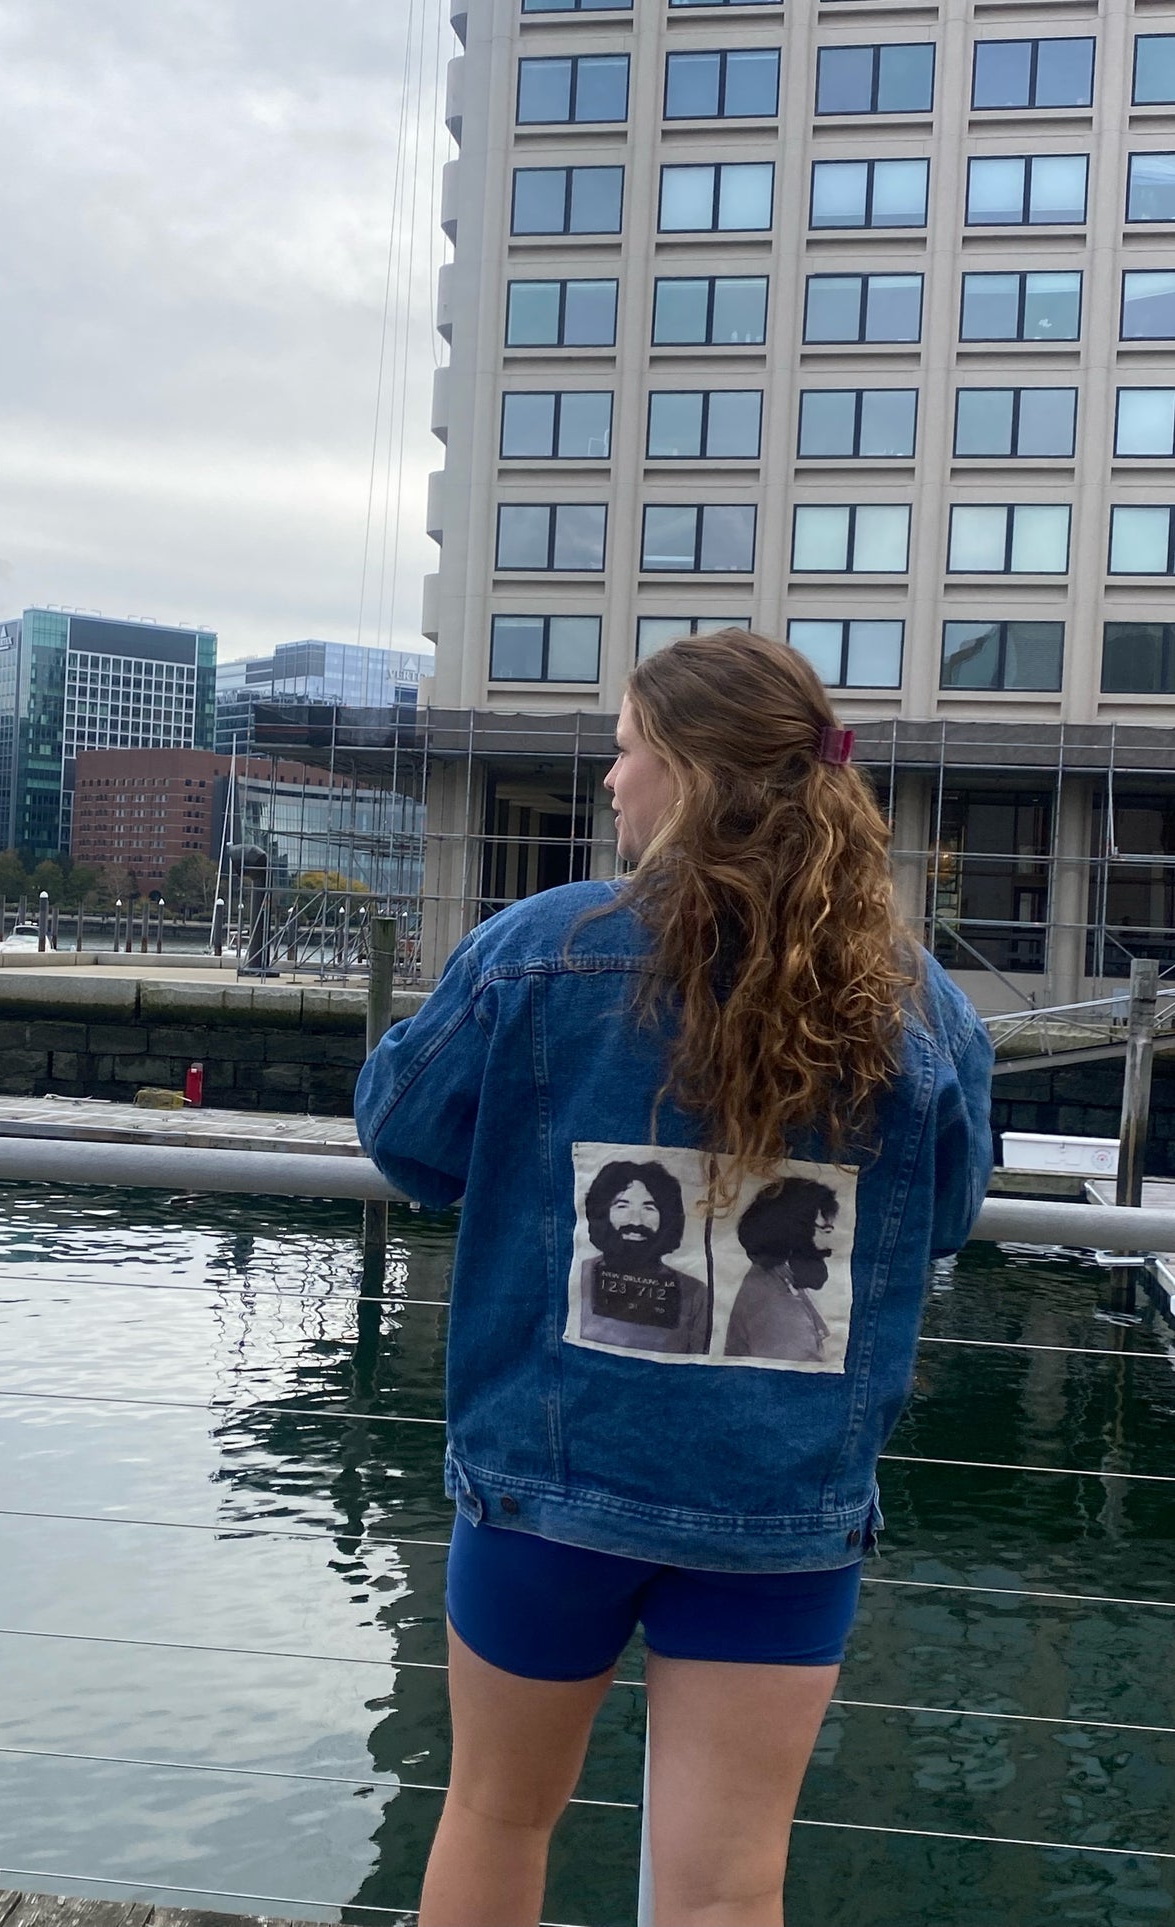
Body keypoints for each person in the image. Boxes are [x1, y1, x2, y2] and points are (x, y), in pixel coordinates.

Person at [355, 629, 993, 1927]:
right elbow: (942, 1215)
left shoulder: (540, 946)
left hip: (553, 1482)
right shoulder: (918, 1001)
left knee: (496, 1811)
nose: (606, 779)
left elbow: (404, 1135)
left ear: (689, 773)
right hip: (780, 1498)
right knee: (725, 1883)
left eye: (625, 747)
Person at [578, 1156, 711, 1354]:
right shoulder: (580, 1275)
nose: (636, 1221)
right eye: (622, 1206)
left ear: (667, 1216)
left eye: (649, 1208)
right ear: (603, 1212)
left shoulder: (695, 1293)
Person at [724, 1177, 841, 1364]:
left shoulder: (776, 1281)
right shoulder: (775, 1303)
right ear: (792, 1232)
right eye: (825, 1230)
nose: (831, 1245)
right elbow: (797, 1382)